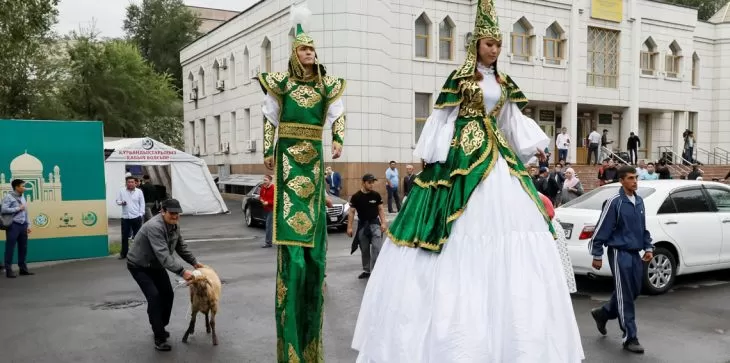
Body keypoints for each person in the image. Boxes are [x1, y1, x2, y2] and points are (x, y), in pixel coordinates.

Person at [351, 1, 584, 361]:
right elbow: (443, 117)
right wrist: (432, 156)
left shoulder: (503, 82)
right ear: (475, 43)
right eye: (489, 43)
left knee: (512, 225)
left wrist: (534, 150)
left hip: (496, 153)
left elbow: (509, 119)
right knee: (456, 232)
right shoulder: (459, 79)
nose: (494, 49)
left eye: (498, 44)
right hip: (461, 153)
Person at [257, 4, 346, 361]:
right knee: (291, 213)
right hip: (288, 153)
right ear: (295, 53)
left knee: (311, 210)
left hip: (313, 151)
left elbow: (339, 116)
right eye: (304, 50)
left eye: (312, 50)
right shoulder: (281, 83)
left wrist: (338, 139)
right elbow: (269, 118)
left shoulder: (327, 85)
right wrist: (267, 148)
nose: (309, 54)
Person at [589, 165, 653, 354]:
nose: (635, 181)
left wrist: (648, 246)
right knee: (625, 295)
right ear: (622, 181)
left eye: (636, 178)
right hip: (619, 252)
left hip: (635, 253)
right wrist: (597, 254)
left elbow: (642, 228)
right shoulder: (614, 202)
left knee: (633, 291)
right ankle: (630, 337)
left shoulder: (639, 201)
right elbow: (601, 229)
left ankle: (604, 313)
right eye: (631, 178)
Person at [126, 199, 203, 351]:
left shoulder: (175, 225)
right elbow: (163, 255)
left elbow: (180, 246)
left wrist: (194, 262)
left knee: (168, 294)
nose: (175, 216)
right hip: (139, 265)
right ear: (162, 211)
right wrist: (182, 272)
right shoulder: (154, 227)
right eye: (172, 213)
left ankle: (158, 325)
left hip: (156, 265)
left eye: (177, 214)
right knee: (154, 297)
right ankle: (159, 337)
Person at [347, 174, 387, 279]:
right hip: (362, 225)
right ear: (363, 182)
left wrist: (383, 223)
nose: (371, 184)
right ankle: (366, 270)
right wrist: (349, 227)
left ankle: (376, 270)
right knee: (364, 249)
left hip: (375, 225)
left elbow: (381, 209)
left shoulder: (376, 195)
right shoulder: (356, 196)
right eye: (369, 182)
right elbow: (351, 212)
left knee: (376, 247)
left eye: (373, 182)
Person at [539, 192, 577, 293]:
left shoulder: (535, 195)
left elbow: (550, 213)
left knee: (553, 263)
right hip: (548, 230)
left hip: (549, 230)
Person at [2, 179, 33, 278]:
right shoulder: (8, 196)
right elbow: (3, 209)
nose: (24, 188)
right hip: (13, 225)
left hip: (23, 225)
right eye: (22, 186)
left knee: (23, 248)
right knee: (10, 248)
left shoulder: (23, 197)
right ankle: (8, 270)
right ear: (16, 187)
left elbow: (26, 211)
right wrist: (17, 208)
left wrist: (28, 224)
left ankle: (23, 269)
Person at [116, 176, 146, 259]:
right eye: (129, 182)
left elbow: (142, 203)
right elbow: (117, 201)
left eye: (132, 182)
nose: (131, 183)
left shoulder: (139, 192)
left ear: (135, 183)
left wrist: (141, 214)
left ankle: (138, 253)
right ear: (126, 183)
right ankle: (124, 253)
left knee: (138, 236)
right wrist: (122, 202)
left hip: (136, 217)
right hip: (125, 217)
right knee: (124, 236)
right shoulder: (121, 191)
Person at [260, 175, 275, 248]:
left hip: (272, 209)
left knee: (268, 226)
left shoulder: (273, 188)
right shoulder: (263, 187)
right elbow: (261, 196)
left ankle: (268, 242)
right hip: (265, 209)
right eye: (264, 180)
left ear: (270, 181)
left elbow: (276, 199)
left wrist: (268, 202)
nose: (264, 181)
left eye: (266, 180)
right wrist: (261, 200)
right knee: (270, 226)